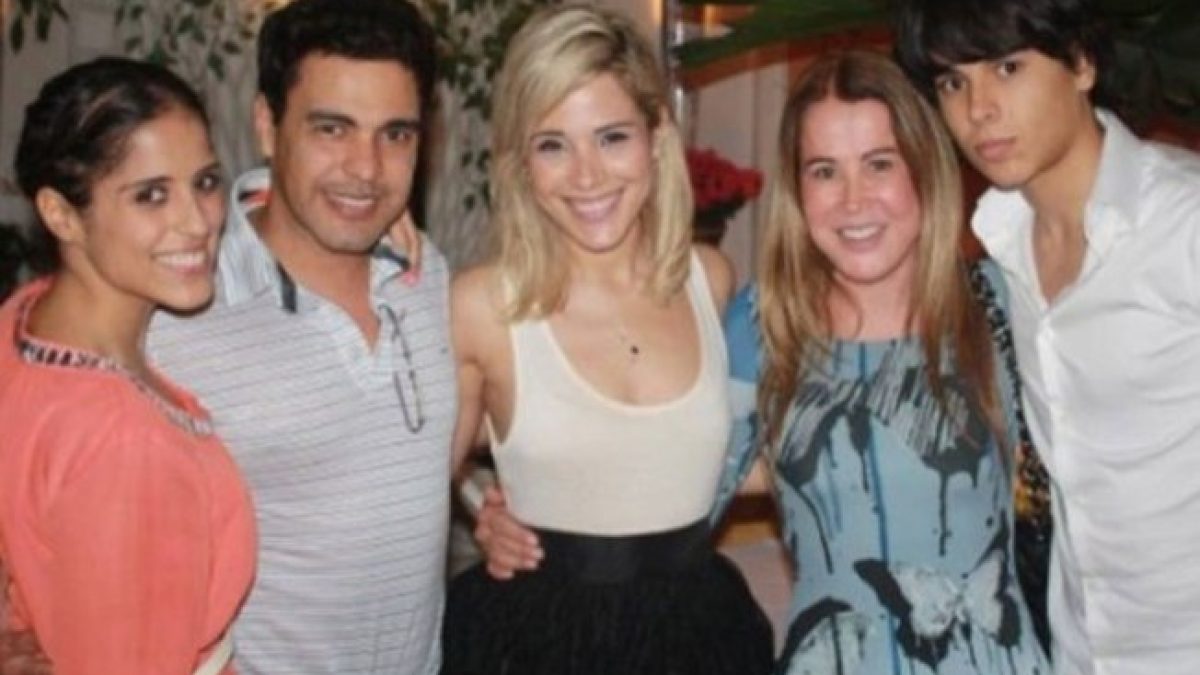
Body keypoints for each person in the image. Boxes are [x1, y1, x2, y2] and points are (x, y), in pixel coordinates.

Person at [442, 4, 773, 674]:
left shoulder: (709, 280)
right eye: (552, 145)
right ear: (521, 162)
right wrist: (483, 507)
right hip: (537, 642)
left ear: (657, 138)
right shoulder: (482, 306)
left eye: (612, 137)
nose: (587, 176)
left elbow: (742, 454)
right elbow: (421, 474)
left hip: (698, 636)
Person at [711, 49, 1050, 673]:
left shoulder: (1000, 304)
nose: (853, 200)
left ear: (924, 169)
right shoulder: (762, 326)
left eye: (879, 164)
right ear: (798, 190)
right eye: (824, 171)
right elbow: (671, 507)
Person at [144, 0, 455, 672]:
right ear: (267, 124)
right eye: (332, 129)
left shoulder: (426, 274)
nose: (365, 168)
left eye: (395, 134)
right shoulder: (180, 311)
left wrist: (495, 509)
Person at [895, 1, 1200, 672]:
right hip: (1080, 650)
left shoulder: (1183, 223)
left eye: (1008, 68)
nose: (978, 109)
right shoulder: (1001, 244)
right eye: (953, 82)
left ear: (1083, 63)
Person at [0, 57, 255, 674]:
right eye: (151, 195)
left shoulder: (23, 319)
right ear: (61, 214)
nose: (197, 222)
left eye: (205, 182)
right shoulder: (123, 443)